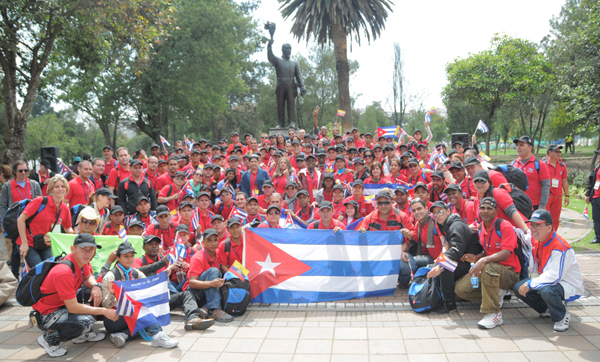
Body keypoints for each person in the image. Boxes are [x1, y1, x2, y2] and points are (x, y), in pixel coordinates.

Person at [34, 234, 118, 358]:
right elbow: (73, 307)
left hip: (63, 305)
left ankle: (81, 334)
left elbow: (88, 277)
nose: (87, 253)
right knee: (86, 321)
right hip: (48, 314)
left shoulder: (82, 262)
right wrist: (105, 311)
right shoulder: (63, 271)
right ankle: (49, 339)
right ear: (73, 249)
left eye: (91, 249)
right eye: (83, 249)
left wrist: (96, 286)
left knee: (97, 293)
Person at [513, 209, 584, 332]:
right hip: (543, 276)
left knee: (547, 290)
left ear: (549, 227)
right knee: (517, 287)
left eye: (538, 225)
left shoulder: (560, 247)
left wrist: (529, 283)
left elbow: (554, 276)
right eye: (532, 225)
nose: (534, 229)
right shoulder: (536, 238)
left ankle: (561, 315)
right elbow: (521, 234)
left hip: (564, 282)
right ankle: (546, 309)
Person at [454, 197, 521, 329]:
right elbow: (488, 251)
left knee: (490, 267)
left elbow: (506, 252)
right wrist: (477, 257)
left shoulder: (504, 226)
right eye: (482, 208)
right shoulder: (480, 228)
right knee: (461, 290)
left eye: (489, 208)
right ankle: (495, 295)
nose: (485, 211)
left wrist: (483, 260)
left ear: (496, 210)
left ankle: (494, 314)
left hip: (509, 272)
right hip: (490, 270)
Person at [101, 241, 179, 348]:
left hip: (132, 314)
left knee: (145, 309)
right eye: (126, 256)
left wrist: (163, 277)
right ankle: (157, 335)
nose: (130, 259)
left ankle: (124, 335)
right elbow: (105, 306)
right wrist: (112, 294)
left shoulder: (136, 273)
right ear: (118, 258)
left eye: (132, 256)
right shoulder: (110, 276)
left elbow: (149, 290)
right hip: (115, 318)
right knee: (141, 311)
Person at [423, 201, 483, 313]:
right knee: (439, 265)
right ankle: (442, 299)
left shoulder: (456, 226)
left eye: (440, 211)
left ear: (448, 211)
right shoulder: (443, 224)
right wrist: (439, 262)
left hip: (474, 263)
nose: (438, 215)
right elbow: (448, 246)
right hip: (462, 260)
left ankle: (450, 305)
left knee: (445, 268)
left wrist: (441, 265)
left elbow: (456, 249)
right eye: (435, 214)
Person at [17, 175, 74, 268]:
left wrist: (75, 234)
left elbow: (68, 228)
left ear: (67, 189)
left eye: (63, 186)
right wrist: (24, 243)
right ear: (51, 189)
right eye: (57, 186)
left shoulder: (65, 208)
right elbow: (21, 219)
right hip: (29, 242)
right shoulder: (40, 201)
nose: (60, 189)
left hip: (45, 244)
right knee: (39, 270)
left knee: (51, 269)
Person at [0, 160, 43, 276]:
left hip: (32, 222)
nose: (23, 173)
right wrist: (4, 223)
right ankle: (14, 275)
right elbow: (3, 206)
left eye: (26, 170)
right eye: (20, 170)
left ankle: (30, 273)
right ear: (15, 171)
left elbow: (41, 202)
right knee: (15, 249)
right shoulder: (8, 186)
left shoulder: (34, 184)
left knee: (33, 246)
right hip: (14, 222)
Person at [186, 228, 234, 322]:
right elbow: (191, 283)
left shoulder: (218, 253)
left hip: (210, 290)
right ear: (203, 242)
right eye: (209, 240)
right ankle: (214, 308)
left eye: (215, 240)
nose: (213, 243)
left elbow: (226, 267)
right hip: (195, 293)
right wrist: (211, 283)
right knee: (213, 271)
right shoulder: (198, 258)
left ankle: (206, 308)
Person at [398, 199, 442, 289]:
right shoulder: (418, 224)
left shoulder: (436, 222)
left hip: (443, 261)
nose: (417, 212)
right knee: (408, 262)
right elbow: (411, 241)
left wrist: (441, 262)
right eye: (414, 210)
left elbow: (447, 244)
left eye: (419, 209)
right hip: (430, 258)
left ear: (426, 208)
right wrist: (401, 252)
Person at [511, 135, 550, 210]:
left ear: (530, 148)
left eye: (521, 145)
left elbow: (546, 186)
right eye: (517, 145)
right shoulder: (513, 164)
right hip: (516, 205)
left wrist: (542, 206)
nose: (518, 147)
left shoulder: (539, 164)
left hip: (534, 206)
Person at [543, 144, 569, 231]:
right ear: (550, 153)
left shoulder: (562, 166)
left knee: (555, 219)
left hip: (557, 196)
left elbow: (564, 181)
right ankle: (542, 238)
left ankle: (553, 236)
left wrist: (567, 196)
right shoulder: (543, 164)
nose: (559, 153)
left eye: (560, 152)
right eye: (556, 151)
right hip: (546, 195)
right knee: (543, 217)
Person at [586, 150, 600, 243]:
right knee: (596, 218)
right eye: (598, 155)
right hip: (595, 197)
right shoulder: (597, 168)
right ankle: (598, 237)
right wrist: (588, 194)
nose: (598, 157)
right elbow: (591, 182)